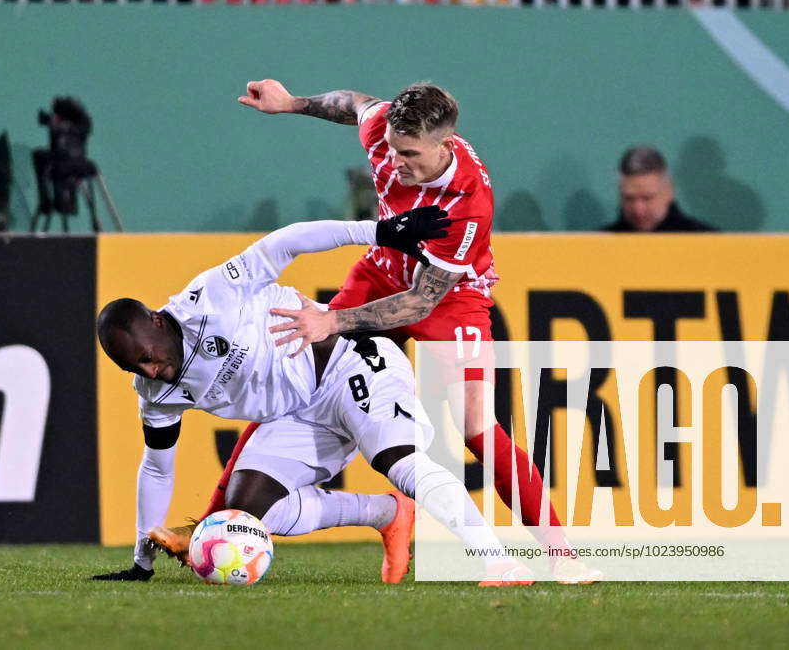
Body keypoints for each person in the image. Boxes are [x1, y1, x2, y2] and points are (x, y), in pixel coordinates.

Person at [152, 79, 598, 585]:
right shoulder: (387, 132)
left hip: (450, 297)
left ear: (444, 147)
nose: (398, 162)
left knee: (477, 429)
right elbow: (354, 104)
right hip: (382, 270)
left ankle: (562, 556)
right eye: (392, 149)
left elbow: (420, 302)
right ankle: (213, 526)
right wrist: (292, 104)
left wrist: (333, 320)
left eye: (410, 154)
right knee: (298, 378)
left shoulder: (466, 204)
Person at [92, 214, 536, 587]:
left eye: (148, 358)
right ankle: (385, 512)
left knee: (397, 461)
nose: (151, 371)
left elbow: (286, 242)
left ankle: (496, 560)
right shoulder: (155, 392)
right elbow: (156, 465)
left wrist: (379, 232)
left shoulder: (211, 298)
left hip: (350, 365)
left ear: (155, 320)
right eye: (136, 369)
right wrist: (141, 562)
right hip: (299, 414)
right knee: (245, 515)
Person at [602, 146, 717, 232]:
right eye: (629, 198)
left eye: (647, 198)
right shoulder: (599, 246)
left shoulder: (708, 243)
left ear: (669, 192)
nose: (638, 209)